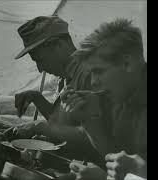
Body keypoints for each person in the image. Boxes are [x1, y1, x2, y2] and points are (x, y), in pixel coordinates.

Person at [13, 16, 107, 167]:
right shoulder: (66, 76)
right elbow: (64, 122)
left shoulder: (89, 75)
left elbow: (97, 134)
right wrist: (37, 98)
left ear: (59, 45)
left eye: (40, 60)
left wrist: (41, 127)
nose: (40, 68)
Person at [60, 18, 147, 180]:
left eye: (98, 71)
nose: (93, 82)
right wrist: (89, 120)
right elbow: (114, 159)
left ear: (127, 63)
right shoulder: (121, 99)